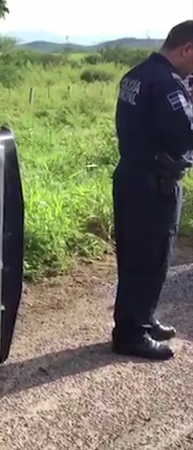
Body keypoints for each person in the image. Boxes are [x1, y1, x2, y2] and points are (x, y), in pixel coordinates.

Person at [112, 20, 193, 361]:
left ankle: (141, 318)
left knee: (137, 256)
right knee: (149, 258)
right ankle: (131, 334)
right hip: (153, 183)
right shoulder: (166, 85)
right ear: (187, 49)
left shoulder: (138, 74)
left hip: (133, 176)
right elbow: (186, 133)